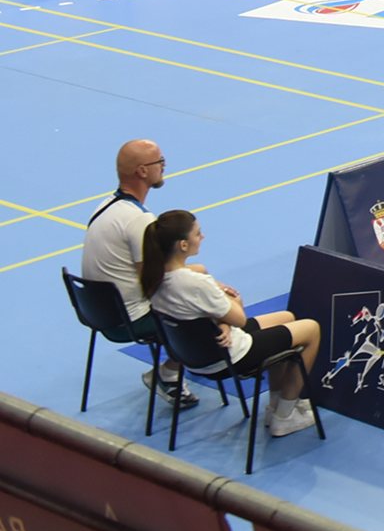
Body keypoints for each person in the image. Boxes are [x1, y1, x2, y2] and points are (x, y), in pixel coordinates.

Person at [140, 210, 322, 439]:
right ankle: (284, 416)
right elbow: (239, 317)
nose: (202, 237)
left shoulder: (154, 279)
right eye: (198, 233)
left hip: (193, 355)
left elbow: (201, 316)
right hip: (228, 357)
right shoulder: (196, 284)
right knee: (311, 329)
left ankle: (275, 404)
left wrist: (223, 322)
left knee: (286, 317)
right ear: (183, 245)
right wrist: (231, 299)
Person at [80, 139, 195, 409]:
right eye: (160, 162)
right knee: (201, 309)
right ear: (142, 171)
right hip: (130, 320)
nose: (164, 166)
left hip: (98, 313)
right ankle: (169, 373)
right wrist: (202, 278)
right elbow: (157, 281)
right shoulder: (139, 220)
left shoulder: (105, 206)